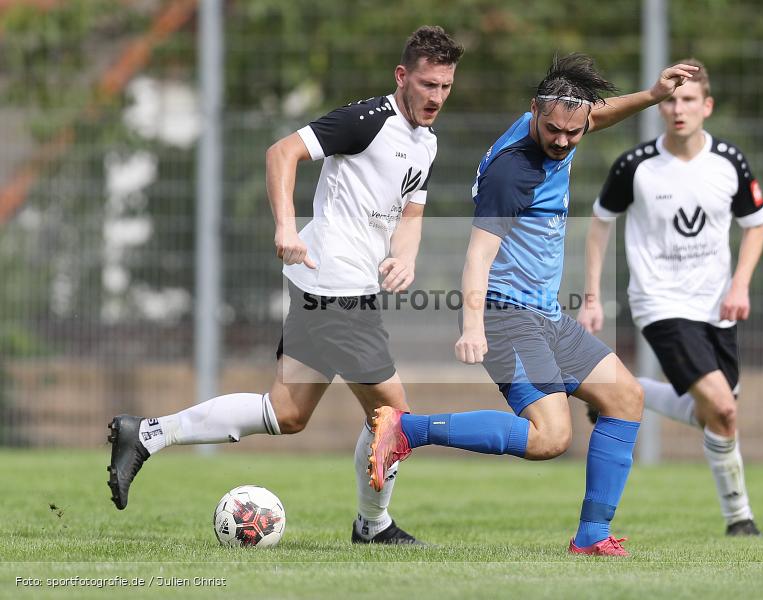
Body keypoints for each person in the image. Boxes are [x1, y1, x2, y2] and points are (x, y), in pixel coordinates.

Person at [106, 26, 464, 545]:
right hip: (335, 284)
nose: (436, 98)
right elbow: (281, 153)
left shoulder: (426, 143)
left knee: (287, 412)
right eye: (428, 85)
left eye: (445, 87)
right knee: (395, 416)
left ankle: (146, 433)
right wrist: (285, 226)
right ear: (402, 76)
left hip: (334, 283)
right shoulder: (366, 121)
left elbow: (410, 215)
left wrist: (404, 260)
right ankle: (373, 525)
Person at [368, 54, 697, 556]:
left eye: (573, 131)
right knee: (549, 438)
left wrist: (653, 95)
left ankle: (591, 537)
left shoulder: (563, 119)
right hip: (505, 317)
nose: (563, 140)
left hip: (546, 315)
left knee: (626, 398)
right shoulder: (513, 172)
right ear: (534, 112)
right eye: (553, 130)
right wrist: (472, 326)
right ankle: (406, 428)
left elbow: (595, 114)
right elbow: (478, 255)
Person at [578, 58, 763, 536]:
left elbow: (756, 226)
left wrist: (741, 283)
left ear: (707, 106)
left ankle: (619, 396)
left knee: (717, 416)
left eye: (689, 100)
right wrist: (592, 296)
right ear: (662, 106)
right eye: (672, 100)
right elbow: (601, 222)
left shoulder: (729, 161)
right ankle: (742, 518)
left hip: (717, 305)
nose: (679, 108)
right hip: (660, 302)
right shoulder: (636, 166)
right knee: (722, 409)